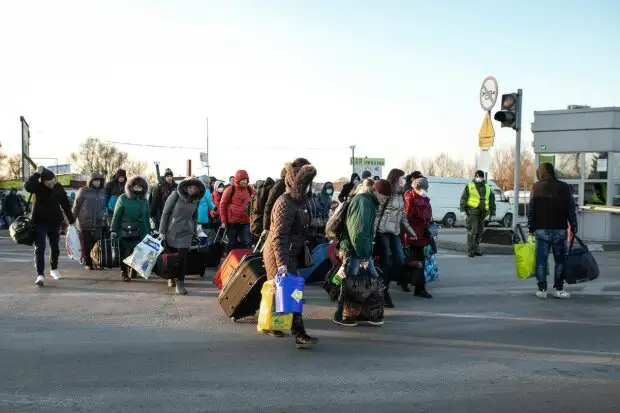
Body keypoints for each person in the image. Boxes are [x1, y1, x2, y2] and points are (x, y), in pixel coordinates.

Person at [262, 159, 319, 349]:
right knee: (291, 293)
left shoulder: (298, 203)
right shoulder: (284, 203)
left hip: (289, 253)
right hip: (280, 254)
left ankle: (271, 323)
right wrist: (282, 266)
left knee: (282, 293)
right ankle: (299, 334)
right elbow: (278, 237)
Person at [333, 179, 392, 327]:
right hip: (355, 249)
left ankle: (361, 313)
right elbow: (358, 232)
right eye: (384, 197)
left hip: (359, 249)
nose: (384, 201)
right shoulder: (364, 202)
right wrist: (364, 256)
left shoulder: (367, 201)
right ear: (378, 192)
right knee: (352, 282)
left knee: (362, 282)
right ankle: (342, 314)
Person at [528, 163, 577, 299]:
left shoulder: (536, 187)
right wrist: (573, 226)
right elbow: (570, 209)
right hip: (559, 229)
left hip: (541, 230)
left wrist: (531, 228)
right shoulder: (564, 187)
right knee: (560, 261)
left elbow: (531, 210)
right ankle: (558, 289)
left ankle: (542, 289)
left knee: (541, 261)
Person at [24, 167, 75, 287]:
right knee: (40, 247)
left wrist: (71, 222)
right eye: (48, 183)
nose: (51, 184)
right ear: (43, 181)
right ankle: (40, 274)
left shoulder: (58, 187)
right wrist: (36, 173)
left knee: (55, 247)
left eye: (53, 181)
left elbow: (65, 205)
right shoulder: (38, 186)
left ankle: (54, 269)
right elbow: (28, 187)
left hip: (55, 222)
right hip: (39, 222)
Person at [375, 169, 417, 301]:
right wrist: (372, 234)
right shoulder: (387, 194)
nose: (403, 181)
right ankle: (383, 291)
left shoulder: (401, 196)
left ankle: (384, 283)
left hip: (395, 232)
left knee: (399, 260)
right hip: (383, 232)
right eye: (401, 178)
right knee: (385, 261)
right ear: (395, 179)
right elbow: (377, 215)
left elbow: (403, 217)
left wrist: (411, 232)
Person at [159, 177, 205, 295]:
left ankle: (180, 284)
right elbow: (165, 213)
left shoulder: (196, 200)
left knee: (182, 258)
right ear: (185, 187)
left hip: (186, 232)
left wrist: (195, 232)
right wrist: (162, 231)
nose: (192, 190)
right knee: (171, 257)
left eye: (195, 188)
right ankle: (171, 277)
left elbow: (194, 216)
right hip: (172, 230)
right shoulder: (175, 195)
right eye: (190, 187)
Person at [110, 176, 150, 282]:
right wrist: (113, 229)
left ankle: (133, 269)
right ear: (131, 187)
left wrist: (149, 231)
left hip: (141, 230)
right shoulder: (123, 198)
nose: (137, 189)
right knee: (125, 252)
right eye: (135, 187)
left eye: (140, 187)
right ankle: (124, 272)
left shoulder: (144, 200)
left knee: (137, 252)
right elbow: (116, 215)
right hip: (125, 230)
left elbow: (146, 217)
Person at [403, 176, 433, 298]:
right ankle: (418, 288)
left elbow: (428, 214)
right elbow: (407, 215)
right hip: (413, 235)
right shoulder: (409, 198)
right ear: (418, 187)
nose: (425, 190)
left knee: (420, 261)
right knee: (417, 262)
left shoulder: (424, 198)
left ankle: (419, 287)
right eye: (423, 188)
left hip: (423, 234)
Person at [72, 173, 106, 270]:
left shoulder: (102, 192)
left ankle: (98, 262)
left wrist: (104, 215)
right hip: (85, 222)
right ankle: (88, 262)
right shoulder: (83, 191)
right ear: (91, 181)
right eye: (95, 180)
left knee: (98, 243)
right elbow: (76, 206)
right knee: (87, 243)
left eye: (99, 181)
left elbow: (103, 206)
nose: (97, 183)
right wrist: (72, 220)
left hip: (99, 222)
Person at [460, 170, 496, 257]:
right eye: (476, 176)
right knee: (472, 231)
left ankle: (476, 248)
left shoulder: (487, 187)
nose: (478, 178)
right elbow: (463, 199)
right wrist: (463, 211)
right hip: (472, 212)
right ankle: (470, 250)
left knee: (480, 232)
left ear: (483, 178)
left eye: (479, 176)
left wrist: (492, 212)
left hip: (483, 212)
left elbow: (491, 200)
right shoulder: (470, 186)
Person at [219, 170, 254, 251]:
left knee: (247, 243)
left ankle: (244, 262)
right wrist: (223, 222)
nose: (245, 182)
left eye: (246, 180)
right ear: (238, 180)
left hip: (246, 221)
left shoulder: (249, 189)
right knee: (232, 243)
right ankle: (231, 261)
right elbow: (222, 205)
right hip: (232, 222)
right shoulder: (230, 189)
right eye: (243, 180)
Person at [306, 181, 333, 247]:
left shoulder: (313, 198)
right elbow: (306, 220)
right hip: (310, 233)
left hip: (318, 231)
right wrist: (322, 222)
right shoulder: (309, 200)